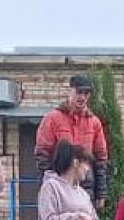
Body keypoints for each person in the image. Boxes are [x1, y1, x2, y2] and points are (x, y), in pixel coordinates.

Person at [34, 74, 109, 208]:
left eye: (86, 93)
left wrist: (101, 194)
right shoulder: (52, 119)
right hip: (59, 185)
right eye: (79, 92)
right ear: (70, 91)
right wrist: (47, 187)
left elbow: (101, 159)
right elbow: (43, 156)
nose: (83, 97)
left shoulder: (94, 123)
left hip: (86, 186)